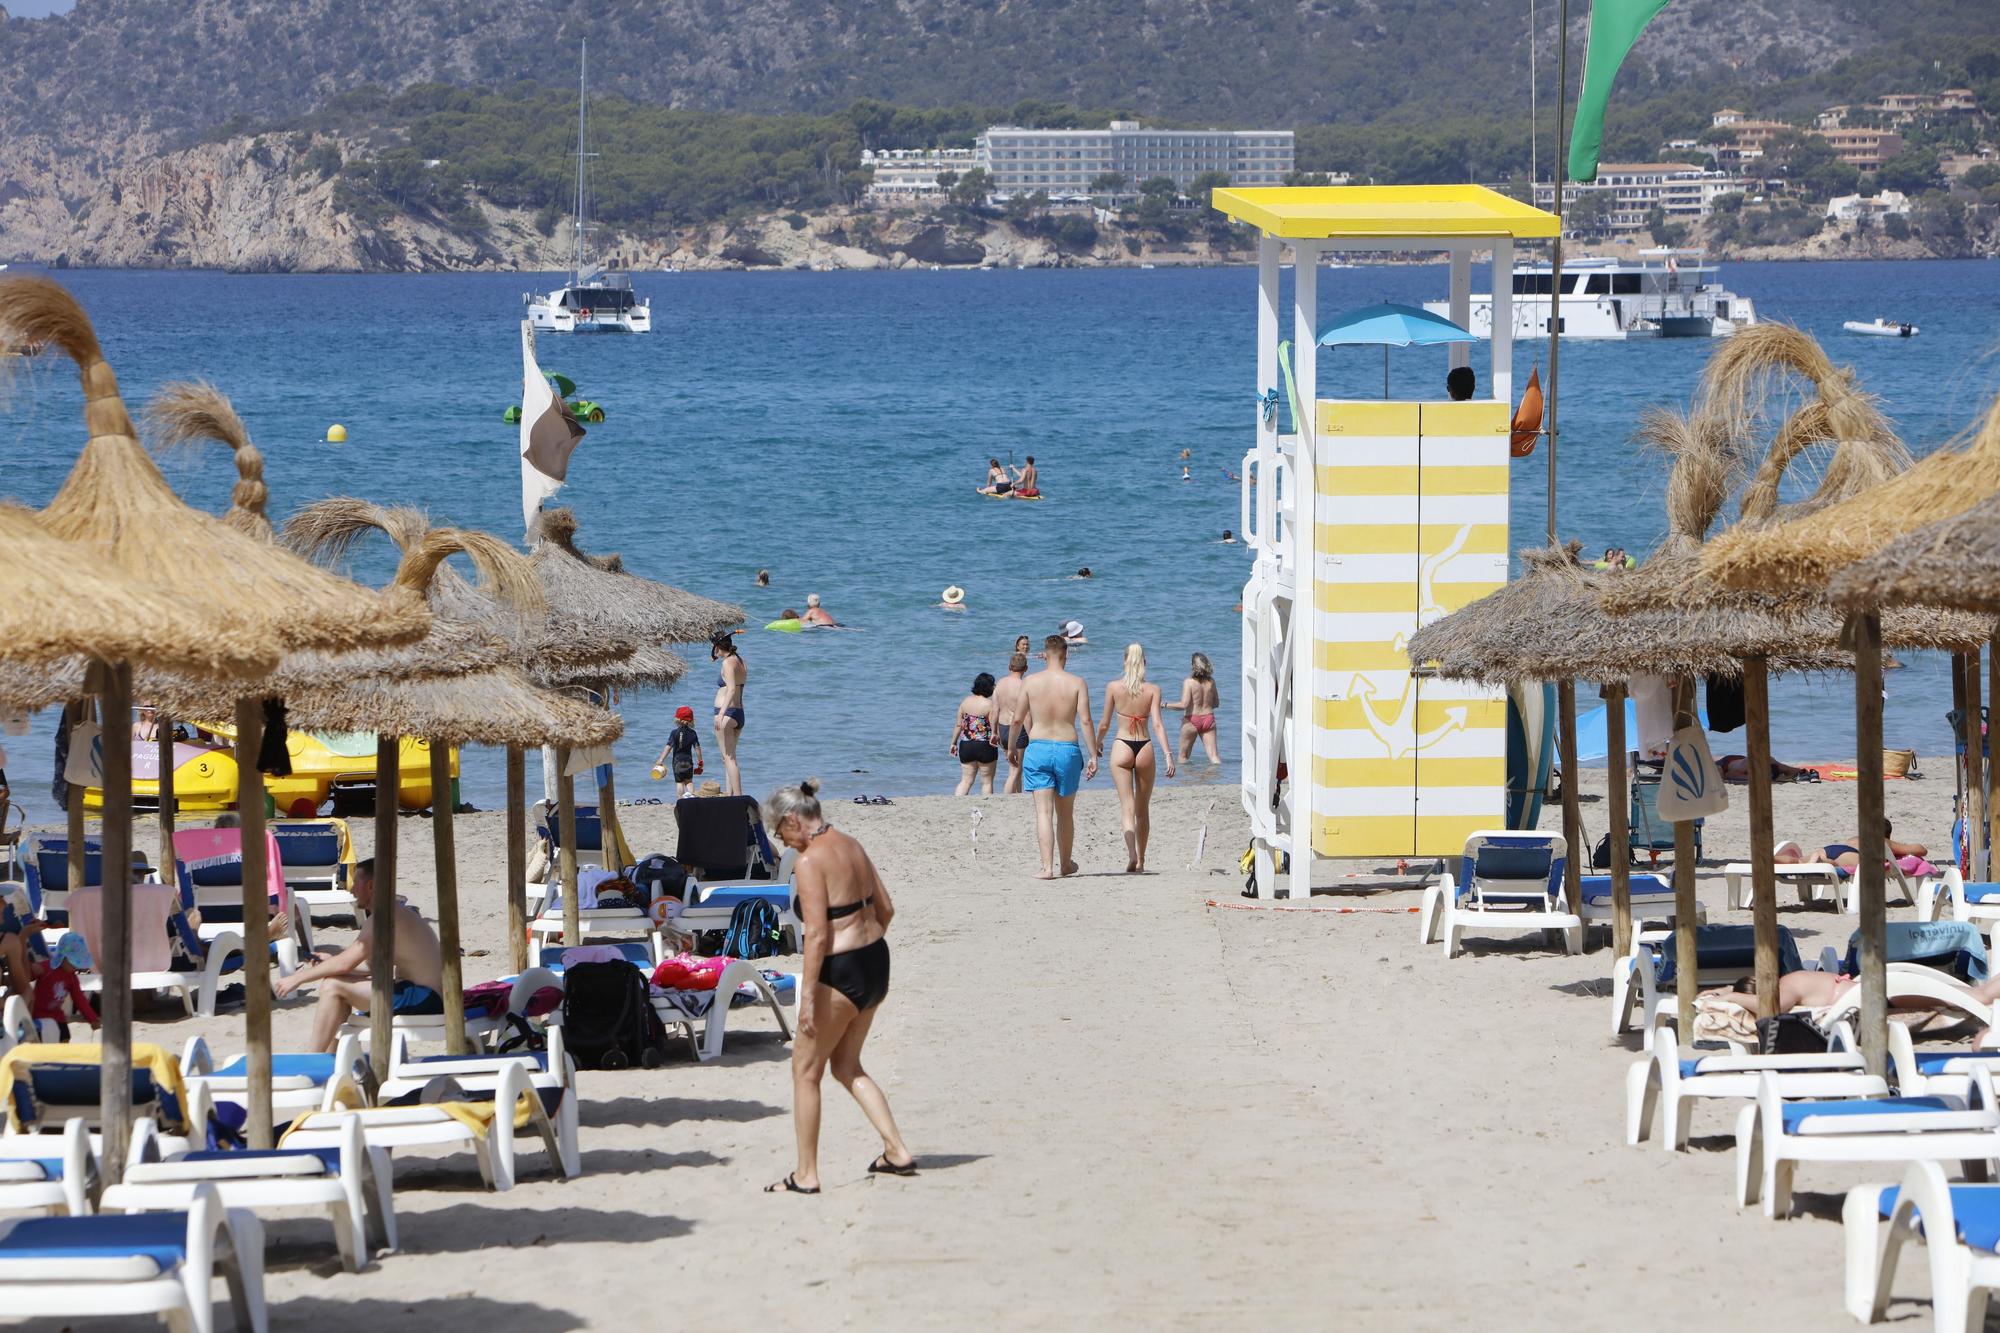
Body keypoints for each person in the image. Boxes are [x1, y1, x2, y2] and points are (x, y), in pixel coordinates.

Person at [762, 780, 913, 1194]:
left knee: (804, 1072)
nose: (784, 843)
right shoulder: (852, 844)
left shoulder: (809, 862)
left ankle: (806, 1175)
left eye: (780, 833)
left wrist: (808, 997)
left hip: (841, 969)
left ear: (793, 820)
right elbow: (887, 908)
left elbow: (817, 936)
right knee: (847, 1067)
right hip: (875, 962)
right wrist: (863, 945)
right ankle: (897, 1150)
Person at [272, 859, 445, 1053]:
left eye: (355, 883)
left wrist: (296, 979)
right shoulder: (394, 912)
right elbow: (370, 967)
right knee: (336, 982)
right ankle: (329, 1059)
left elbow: (345, 963)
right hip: (423, 994)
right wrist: (329, 962)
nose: (351, 890)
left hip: (423, 998)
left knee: (333, 985)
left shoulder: (382, 917)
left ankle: (314, 1057)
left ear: (370, 886)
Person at [1020, 634, 1099, 879]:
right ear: (1065, 655)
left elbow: (1016, 719)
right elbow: (1085, 720)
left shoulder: (1030, 682)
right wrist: (1094, 754)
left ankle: (1047, 868)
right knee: (1065, 813)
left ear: (1044, 655)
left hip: (1038, 747)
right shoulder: (1077, 682)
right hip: (1067, 747)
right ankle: (1065, 864)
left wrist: (1011, 748)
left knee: (1043, 812)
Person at [1096, 644, 1175, 873]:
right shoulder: (1152, 689)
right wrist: (1168, 755)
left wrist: (1098, 744)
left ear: (1124, 662)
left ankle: (1131, 853)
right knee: (1143, 810)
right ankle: (1141, 860)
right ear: (1144, 664)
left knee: (1127, 808)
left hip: (1122, 745)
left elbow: (1104, 723)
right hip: (1145, 747)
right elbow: (1158, 724)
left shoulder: (1113, 687)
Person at [1776, 821, 1928, 873]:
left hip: (1832, 847)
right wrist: (1894, 848)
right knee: (1836, 864)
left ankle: (1771, 858)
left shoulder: (1855, 838)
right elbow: (1920, 850)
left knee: (1798, 862)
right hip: (1852, 854)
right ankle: (1822, 862)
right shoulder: (1881, 841)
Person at [1165, 651, 1223, 765]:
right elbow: (1216, 703)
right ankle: (1218, 777)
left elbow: (1184, 705)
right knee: (1214, 756)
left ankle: (1186, 781)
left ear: (1193, 666)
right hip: (1209, 719)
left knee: (1183, 756)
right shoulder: (1211, 682)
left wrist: (1164, 705)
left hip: (1192, 720)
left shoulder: (1189, 682)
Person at [951, 673, 1001, 796]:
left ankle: (956, 803)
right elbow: (994, 726)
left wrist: (953, 743)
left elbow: (958, 725)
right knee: (987, 782)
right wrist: (999, 739)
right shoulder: (990, 705)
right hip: (985, 745)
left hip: (966, 745)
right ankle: (986, 806)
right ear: (989, 688)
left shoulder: (965, 702)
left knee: (966, 780)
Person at [711, 630, 747, 796]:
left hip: (726, 713)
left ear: (718, 646)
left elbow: (731, 689)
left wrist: (721, 714)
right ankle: (730, 794)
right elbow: (740, 688)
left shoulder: (727, 663)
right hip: (739, 712)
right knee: (729, 757)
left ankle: (738, 797)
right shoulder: (740, 661)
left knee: (728, 758)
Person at [993, 651, 1031, 794]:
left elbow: (995, 710)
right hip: (1018, 730)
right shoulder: (1023, 685)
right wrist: (1032, 736)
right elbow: (1026, 715)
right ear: (1026, 668)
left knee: (1014, 768)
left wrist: (994, 732)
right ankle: (1007, 798)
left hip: (1002, 728)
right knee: (1015, 770)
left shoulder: (1000, 684)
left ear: (1009, 666)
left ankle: (1018, 795)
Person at [653, 705, 704, 798]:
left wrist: (661, 760)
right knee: (689, 781)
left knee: (680, 782)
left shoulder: (674, 733)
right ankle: (691, 797)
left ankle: (681, 800)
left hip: (677, 762)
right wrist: (700, 761)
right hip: (688, 762)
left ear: (677, 719)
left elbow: (668, 747)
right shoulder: (693, 733)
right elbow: (697, 748)